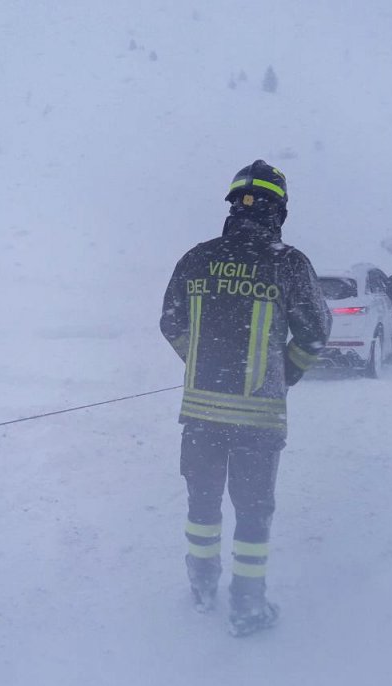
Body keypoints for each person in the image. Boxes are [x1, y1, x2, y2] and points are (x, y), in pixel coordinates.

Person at [160, 160, 330, 636]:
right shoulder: (287, 262)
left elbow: (171, 322)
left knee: (202, 506)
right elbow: (316, 332)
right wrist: (283, 373)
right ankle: (248, 606)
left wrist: (200, 363)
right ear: (280, 211)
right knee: (253, 513)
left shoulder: (196, 258)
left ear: (233, 204)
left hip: (200, 414)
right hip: (259, 418)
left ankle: (201, 585)